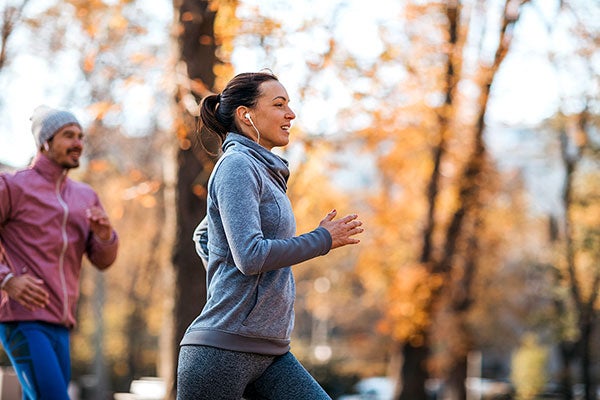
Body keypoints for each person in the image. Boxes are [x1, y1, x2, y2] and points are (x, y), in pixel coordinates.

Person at [177, 71, 364, 400]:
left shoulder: (264, 171)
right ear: (245, 114)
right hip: (222, 350)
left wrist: (230, 279)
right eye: (279, 105)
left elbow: (204, 236)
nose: (290, 114)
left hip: (270, 352)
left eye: (289, 105)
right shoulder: (237, 165)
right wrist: (322, 239)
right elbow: (250, 257)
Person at [0, 106, 119, 399]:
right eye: (68, 135)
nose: (78, 143)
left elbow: (103, 261)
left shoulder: (85, 196)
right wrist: (7, 280)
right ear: (45, 142)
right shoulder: (12, 186)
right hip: (22, 318)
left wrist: (105, 237)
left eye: (80, 136)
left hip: (62, 322)